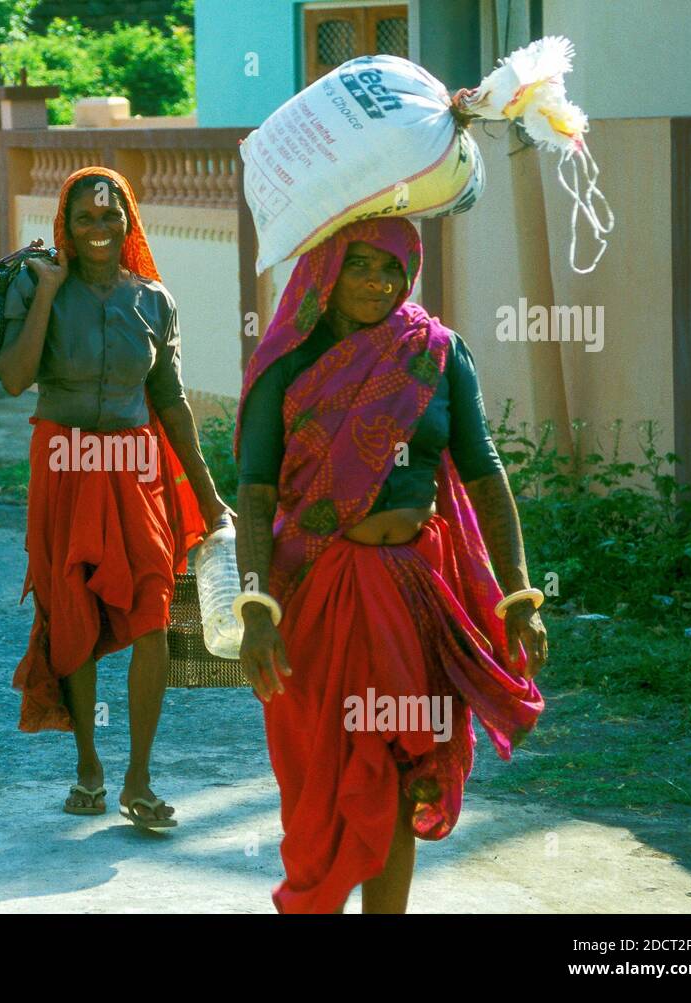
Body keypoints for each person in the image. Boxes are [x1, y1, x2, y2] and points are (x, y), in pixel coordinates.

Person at [234, 217, 547, 913]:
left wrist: (519, 591)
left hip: (412, 594)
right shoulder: (287, 362)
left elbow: (485, 474)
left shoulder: (433, 354)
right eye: (360, 265)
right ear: (328, 270)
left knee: (406, 771)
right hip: (315, 596)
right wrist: (257, 610)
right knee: (322, 779)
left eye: (392, 268)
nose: (377, 282)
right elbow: (254, 493)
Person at [0, 166, 231, 829]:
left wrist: (212, 500)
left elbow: (173, 404)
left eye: (111, 216)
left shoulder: (154, 299)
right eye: (85, 218)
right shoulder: (35, 284)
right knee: (72, 609)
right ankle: (89, 765)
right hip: (65, 468)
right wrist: (44, 293)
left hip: (134, 472)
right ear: (65, 228)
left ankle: (139, 777)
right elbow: (15, 379)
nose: (99, 229)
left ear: (129, 222)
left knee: (153, 607)